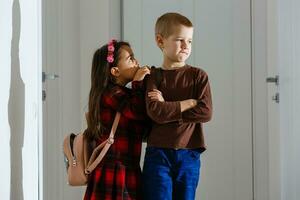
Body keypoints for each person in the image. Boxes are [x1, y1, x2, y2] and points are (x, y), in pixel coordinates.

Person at [142, 12, 213, 200]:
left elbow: (205, 112)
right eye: (180, 40)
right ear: (160, 41)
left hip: (189, 153)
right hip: (158, 153)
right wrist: (188, 103)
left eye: (189, 41)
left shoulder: (198, 76)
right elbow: (156, 112)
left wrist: (168, 107)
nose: (185, 46)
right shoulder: (153, 76)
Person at [83, 39, 151, 200]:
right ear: (115, 71)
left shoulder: (126, 94)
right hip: (113, 169)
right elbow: (136, 110)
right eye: (130, 58)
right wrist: (138, 83)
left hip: (127, 168)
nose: (136, 62)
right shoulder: (110, 93)